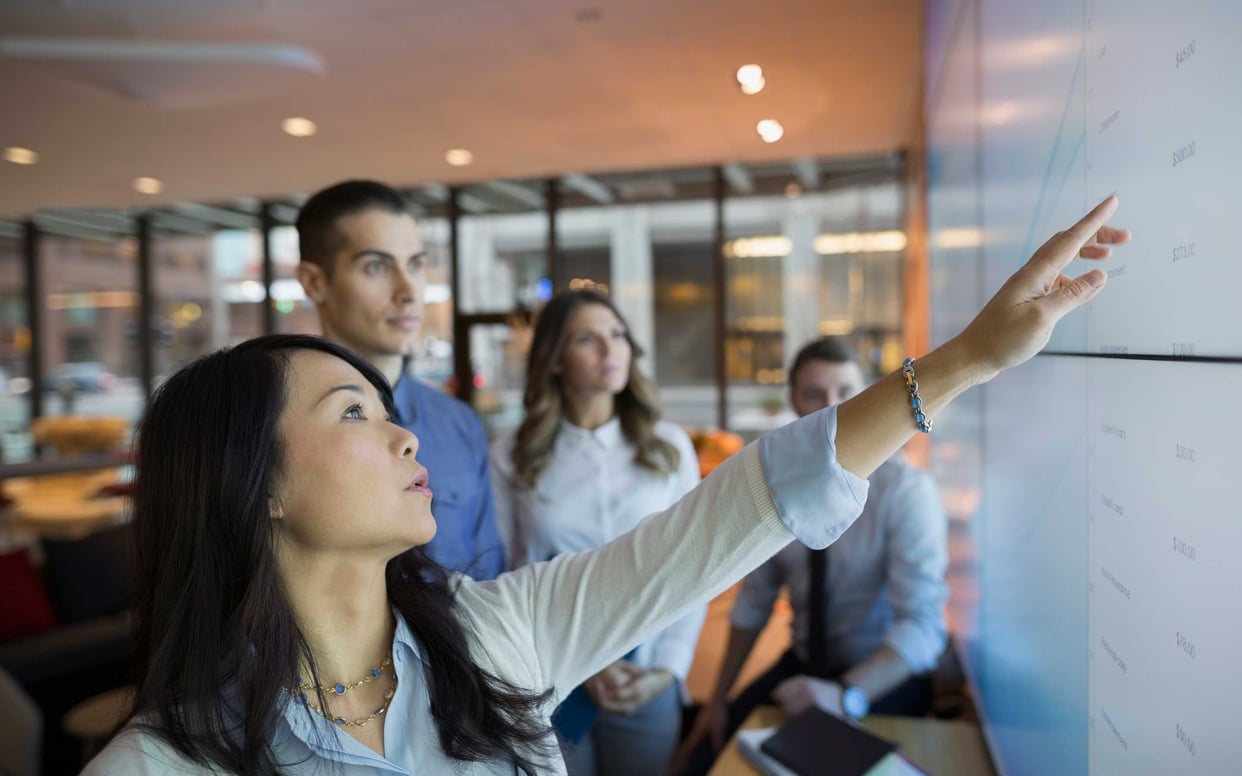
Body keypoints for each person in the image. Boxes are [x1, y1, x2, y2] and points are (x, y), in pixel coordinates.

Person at [83, 199, 1128, 775]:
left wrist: (966, 361)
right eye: (352, 414)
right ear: (253, 483)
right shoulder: (166, 758)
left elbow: (734, 511)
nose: (407, 431)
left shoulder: (496, 635)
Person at [678, 337, 949, 775]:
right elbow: (754, 604)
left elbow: (923, 627)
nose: (834, 407)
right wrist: (718, 700)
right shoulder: (778, 486)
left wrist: (846, 694)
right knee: (704, 759)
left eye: (846, 391)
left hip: (881, 675)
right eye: (814, 394)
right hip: (803, 665)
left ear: (871, 393)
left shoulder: (905, 491)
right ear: (793, 402)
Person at [490, 289, 704, 775]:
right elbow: (503, 575)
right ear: (556, 359)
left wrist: (669, 669)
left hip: (645, 674)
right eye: (588, 338)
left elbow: (693, 566)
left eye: (618, 334)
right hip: (552, 676)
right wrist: (582, 659)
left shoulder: (668, 448)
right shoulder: (511, 454)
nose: (611, 351)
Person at [296, 180, 504, 579]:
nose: (409, 292)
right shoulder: (282, 427)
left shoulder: (457, 425)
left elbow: (488, 581)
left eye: (416, 265)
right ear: (315, 282)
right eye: (376, 267)